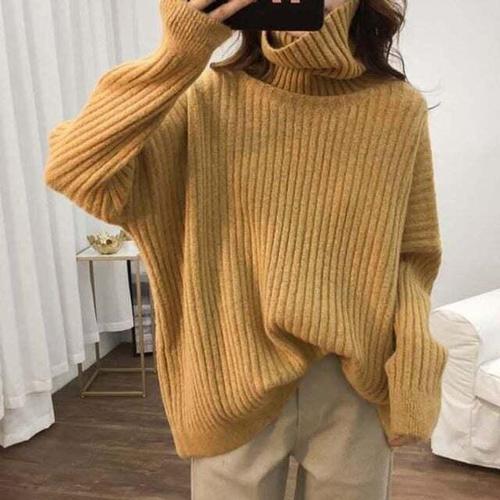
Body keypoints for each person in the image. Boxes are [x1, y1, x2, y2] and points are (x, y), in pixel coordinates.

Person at [43, 0, 448, 498]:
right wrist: (177, 53)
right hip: (228, 374)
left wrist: (413, 370)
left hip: (353, 383)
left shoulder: (396, 109)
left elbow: (413, 256)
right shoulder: (204, 100)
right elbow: (77, 170)